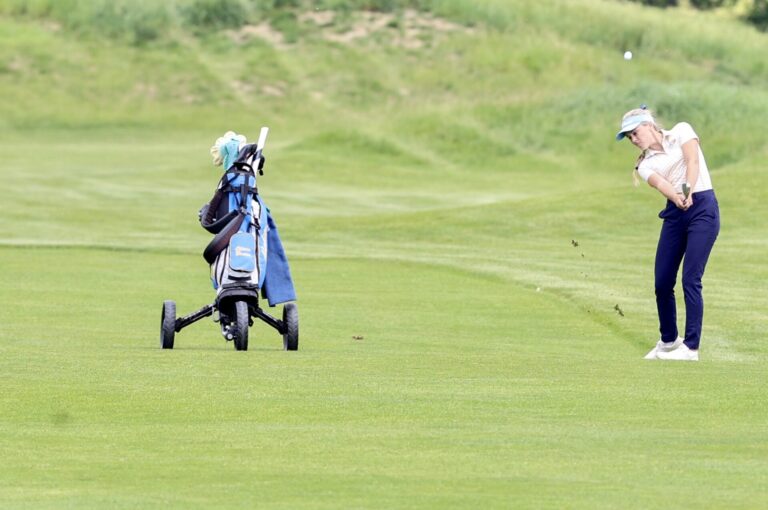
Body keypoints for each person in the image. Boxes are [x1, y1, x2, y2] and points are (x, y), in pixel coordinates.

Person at [616, 106, 720, 361]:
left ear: (649, 125)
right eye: (629, 137)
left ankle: (691, 348)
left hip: (703, 209)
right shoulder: (645, 165)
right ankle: (669, 341)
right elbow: (662, 184)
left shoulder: (682, 130)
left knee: (690, 279)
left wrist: (687, 190)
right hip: (676, 213)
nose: (633, 139)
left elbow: (692, 161)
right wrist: (677, 196)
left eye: (635, 132)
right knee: (662, 282)